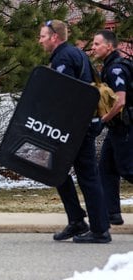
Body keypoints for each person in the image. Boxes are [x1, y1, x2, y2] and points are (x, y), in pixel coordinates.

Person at [38, 20, 111, 243]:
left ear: (54, 37)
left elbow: (65, 94)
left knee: (85, 176)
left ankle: (99, 230)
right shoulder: (76, 53)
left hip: (75, 127)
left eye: (42, 36)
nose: (39, 41)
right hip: (80, 124)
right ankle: (78, 221)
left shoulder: (63, 58)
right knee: (57, 171)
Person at [91, 29, 133, 226]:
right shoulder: (108, 66)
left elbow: (121, 101)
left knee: (128, 169)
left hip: (126, 126)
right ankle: (112, 213)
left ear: (109, 46)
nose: (93, 47)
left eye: (97, 44)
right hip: (118, 126)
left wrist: (103, 120)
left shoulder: (116, 69)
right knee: (106, 168)